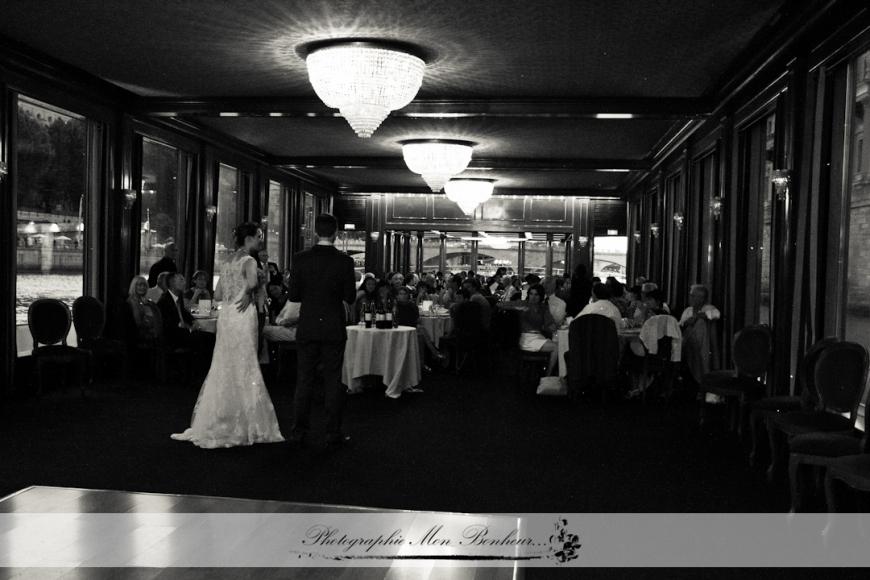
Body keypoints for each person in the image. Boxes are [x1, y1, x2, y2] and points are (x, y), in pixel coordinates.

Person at [171, 223, 283, 448]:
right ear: (249, 239)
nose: (261, 240)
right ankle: (246, 420)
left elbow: (219, 293)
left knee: (223, 364)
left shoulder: (227, 262)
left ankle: (221, 417)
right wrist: (251, 288)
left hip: (227, 316)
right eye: (259, 236)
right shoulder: (249, 261)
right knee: (245, 364)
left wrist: (239, 292)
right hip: (243, 315)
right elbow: (252, 282)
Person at [288, 213, 357, 447]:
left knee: (304, 380)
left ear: (315, 232)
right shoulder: (345, 262)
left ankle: (299, 431)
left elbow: (294, 295)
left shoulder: (300, 259)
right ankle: (332, 432)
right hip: (332, 327)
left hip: (307, 326)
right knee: (332, 380)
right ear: (336, 233)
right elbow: (350, 296)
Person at [679, 284, 721, 384]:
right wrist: (685, 323)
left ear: (701, 298)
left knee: (700, 323)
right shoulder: (688, 310)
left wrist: (698, 316)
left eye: (693, 296)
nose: (690, 298)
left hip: (700, 346)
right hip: (685, 343)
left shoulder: (708, 308)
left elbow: (716, 314)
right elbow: (679, 325)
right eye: (691, 295)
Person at [518, 283, 559, 375]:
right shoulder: (523, 305)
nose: (533, 297)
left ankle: (548, 372)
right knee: (556, 347)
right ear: (528, 295)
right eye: (531, 294)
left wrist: (553, 325)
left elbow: (550, 323)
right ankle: (548, 374)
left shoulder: (543, 308)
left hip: (538, 337)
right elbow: (501, 304)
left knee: (558, 345)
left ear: (541, 296)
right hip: (525, 337)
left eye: (536, 294)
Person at [126, 275, 158, 342]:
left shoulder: (147, 302)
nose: (142, 287)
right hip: (139, 339)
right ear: (134, 286)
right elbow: (138, 322)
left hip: (151, 337)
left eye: (144, 285)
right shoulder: (132, 301)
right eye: (139, 285)